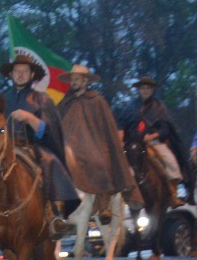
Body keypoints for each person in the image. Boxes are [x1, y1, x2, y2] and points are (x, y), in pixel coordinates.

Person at [0, 54, 82, 230]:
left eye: (25, 71)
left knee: (52, 162)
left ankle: (55, 215)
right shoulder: (0, 99)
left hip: (31, 146)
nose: (20, 74)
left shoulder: (42, 99)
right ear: (11, 75)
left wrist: (30, 118)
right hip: (1, 149)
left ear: (32, 74)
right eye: (17, 71)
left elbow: (49, 129)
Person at [54, 63, 136, 205]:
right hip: (67, 146)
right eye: (72, 79)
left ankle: (104, 199)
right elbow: (55, 123)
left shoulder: (97, 101)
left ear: (85, 81)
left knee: (99, 162)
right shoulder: (65, 103)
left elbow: (108, 128)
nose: (73, 82)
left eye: (77, 79)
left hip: (92, 146)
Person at [128, 77, 187, 205]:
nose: (145, 90)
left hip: (154, 143)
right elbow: (124, 125)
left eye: (148, 88)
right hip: (134, 143)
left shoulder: (159, 107)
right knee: (122, 164)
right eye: (143, 88)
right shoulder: (130, 107)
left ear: (152, 89)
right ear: (139, 90)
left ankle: (174, 192)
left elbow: (165, 128)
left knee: (171, 161)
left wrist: (152, 136)